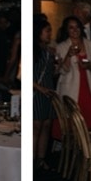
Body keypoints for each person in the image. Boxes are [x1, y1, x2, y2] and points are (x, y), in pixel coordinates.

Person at [57, 16, 91, 131]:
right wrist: (68, 55)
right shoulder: (61, 46)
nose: (75, 30)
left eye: (77, 27)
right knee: (73, 126)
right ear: (66, 30)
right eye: (71, 28)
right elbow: (62, 70)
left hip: (89, 87)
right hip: (70, 89)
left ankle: (88, 148)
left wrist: (89, 66)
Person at [33, 19, 58, 167]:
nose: (50, 34)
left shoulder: (48, 51)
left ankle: (41, 159)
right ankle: (31, 159)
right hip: (36, 91)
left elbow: (52, 73)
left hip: (47, 90)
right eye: (47, 30)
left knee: (46, 125)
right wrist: (40, 88)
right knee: (36, 126)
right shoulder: (31, 50)